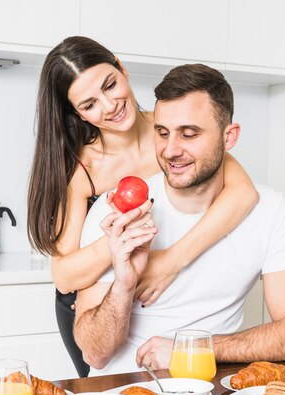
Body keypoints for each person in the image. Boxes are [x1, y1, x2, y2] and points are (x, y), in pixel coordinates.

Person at [26, 37, 259, 377]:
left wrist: (172, 261)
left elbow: (243, 195)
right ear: (76, 113)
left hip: (162, 292)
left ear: (122, 68)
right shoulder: (82, 171)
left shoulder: (171, 132)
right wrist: (121, 244)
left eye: (110, 85)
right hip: (93, 308)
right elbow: (63, 277)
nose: (109, 106)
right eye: (89, 104)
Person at [74, 63, 285, 375]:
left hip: (212, 392)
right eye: (162, 133)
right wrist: (124, 283)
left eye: (189, 134)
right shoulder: (115, 213)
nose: (171, 150)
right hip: (122, 394)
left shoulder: (271, 210)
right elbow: (95, 354)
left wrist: (190, 351)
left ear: (229, 138)